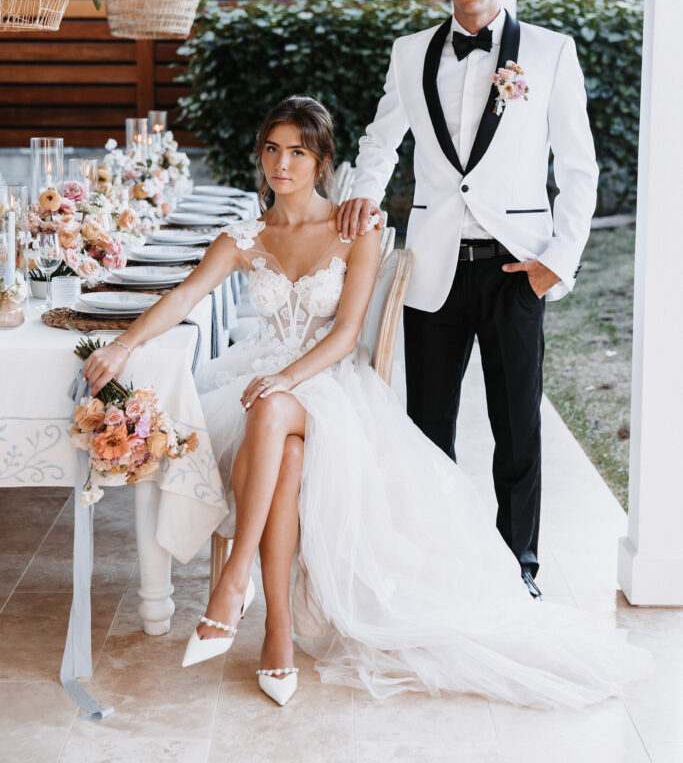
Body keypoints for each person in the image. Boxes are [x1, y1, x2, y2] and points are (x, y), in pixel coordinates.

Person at [84, 95, 648, 709]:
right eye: (272, 150)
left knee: (273, 409)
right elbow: (184, 296)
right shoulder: (245, 236)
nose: (282, 164)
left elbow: (347, 333)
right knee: (285, 454)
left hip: (327, 383)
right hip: (258, 380)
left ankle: (232, 581)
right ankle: (276, 635)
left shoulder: (356, 229)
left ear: (322, 161)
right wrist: (122, 345)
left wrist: (287, 379)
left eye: (298, 152)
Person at [338, 0, 600, 600]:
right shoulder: (408, 52)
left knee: (517, 427)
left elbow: (579, 169)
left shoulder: (549, 52)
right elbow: (378, 140)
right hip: (434, 268)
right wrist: (365, 193)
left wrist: (558, 260)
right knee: (428, 426)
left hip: (517, 267)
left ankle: (521, 566)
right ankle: (435, 556)